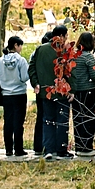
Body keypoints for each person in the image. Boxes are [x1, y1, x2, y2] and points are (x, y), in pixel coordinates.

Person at [30, 25, 72, 160]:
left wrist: (36, 83)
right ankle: (61, 149)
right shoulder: (65, 50)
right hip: (62, 92)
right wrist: (72, 90)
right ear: (62, 36)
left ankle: (48, 149)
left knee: (47, 120)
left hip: (45, 91)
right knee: (62, 121)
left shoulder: (40, 49)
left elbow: (31, 67)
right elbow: (71, 72)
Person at [71, 32, 95, 157]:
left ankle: (79, 146)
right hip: (87, 91)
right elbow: (94, 75)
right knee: (88, 119)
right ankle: (87, 147)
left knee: (78, 119)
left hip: (75, 91)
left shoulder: (74, 55)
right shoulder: (88, 57)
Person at [0, 36, 31, 158]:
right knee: (18, 122)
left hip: (6, 95)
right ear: (16, 45)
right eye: (20, 45)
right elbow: (24, 77)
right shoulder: (21, 60)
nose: (21, 48)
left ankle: (8, 149)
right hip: (19, 94)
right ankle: (18, 149)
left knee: (8, 121)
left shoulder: (0, 61)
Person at [31, 29, 54, 155]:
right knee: (49, 118)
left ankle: (39, 146)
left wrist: (35, 83)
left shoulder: (36, 52)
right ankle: (49, 146)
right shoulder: (48, 52)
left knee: (41, 118)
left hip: (40, 89)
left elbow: (31, 69)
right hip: (49, 90)